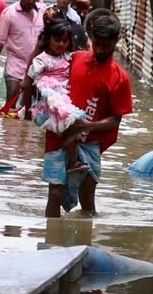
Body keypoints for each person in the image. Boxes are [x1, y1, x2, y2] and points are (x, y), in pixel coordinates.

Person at [42, 12, 132, 218]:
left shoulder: (120, 77)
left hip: (90, 142)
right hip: (59, 136)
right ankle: (50, 242)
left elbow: (116, 119)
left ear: (115, 42)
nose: (100, 49)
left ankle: (84, 241)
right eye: (97, 43)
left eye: (106, 45)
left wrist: (85, 127)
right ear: (91, 38)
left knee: (87, 197)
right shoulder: (75, 58)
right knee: (55, 193)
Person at [21, 19, 89, 174]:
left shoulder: (68, 57)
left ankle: (70, 156)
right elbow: (27, 83)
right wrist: (26, 109)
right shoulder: (41, 60)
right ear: (48, 39)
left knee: (73, 125)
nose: (60, 44)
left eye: (64, 41)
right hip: (49, 99)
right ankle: (72, 161)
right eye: (57, 40)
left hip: (65, 95)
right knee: (71, 122)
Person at [0, 0, 45, 102]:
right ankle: (7, 122)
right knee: (12, 99)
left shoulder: (43, 11)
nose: (30, 1)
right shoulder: (9, 14)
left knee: (31, 105)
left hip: (38, 66)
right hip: (16, 64)